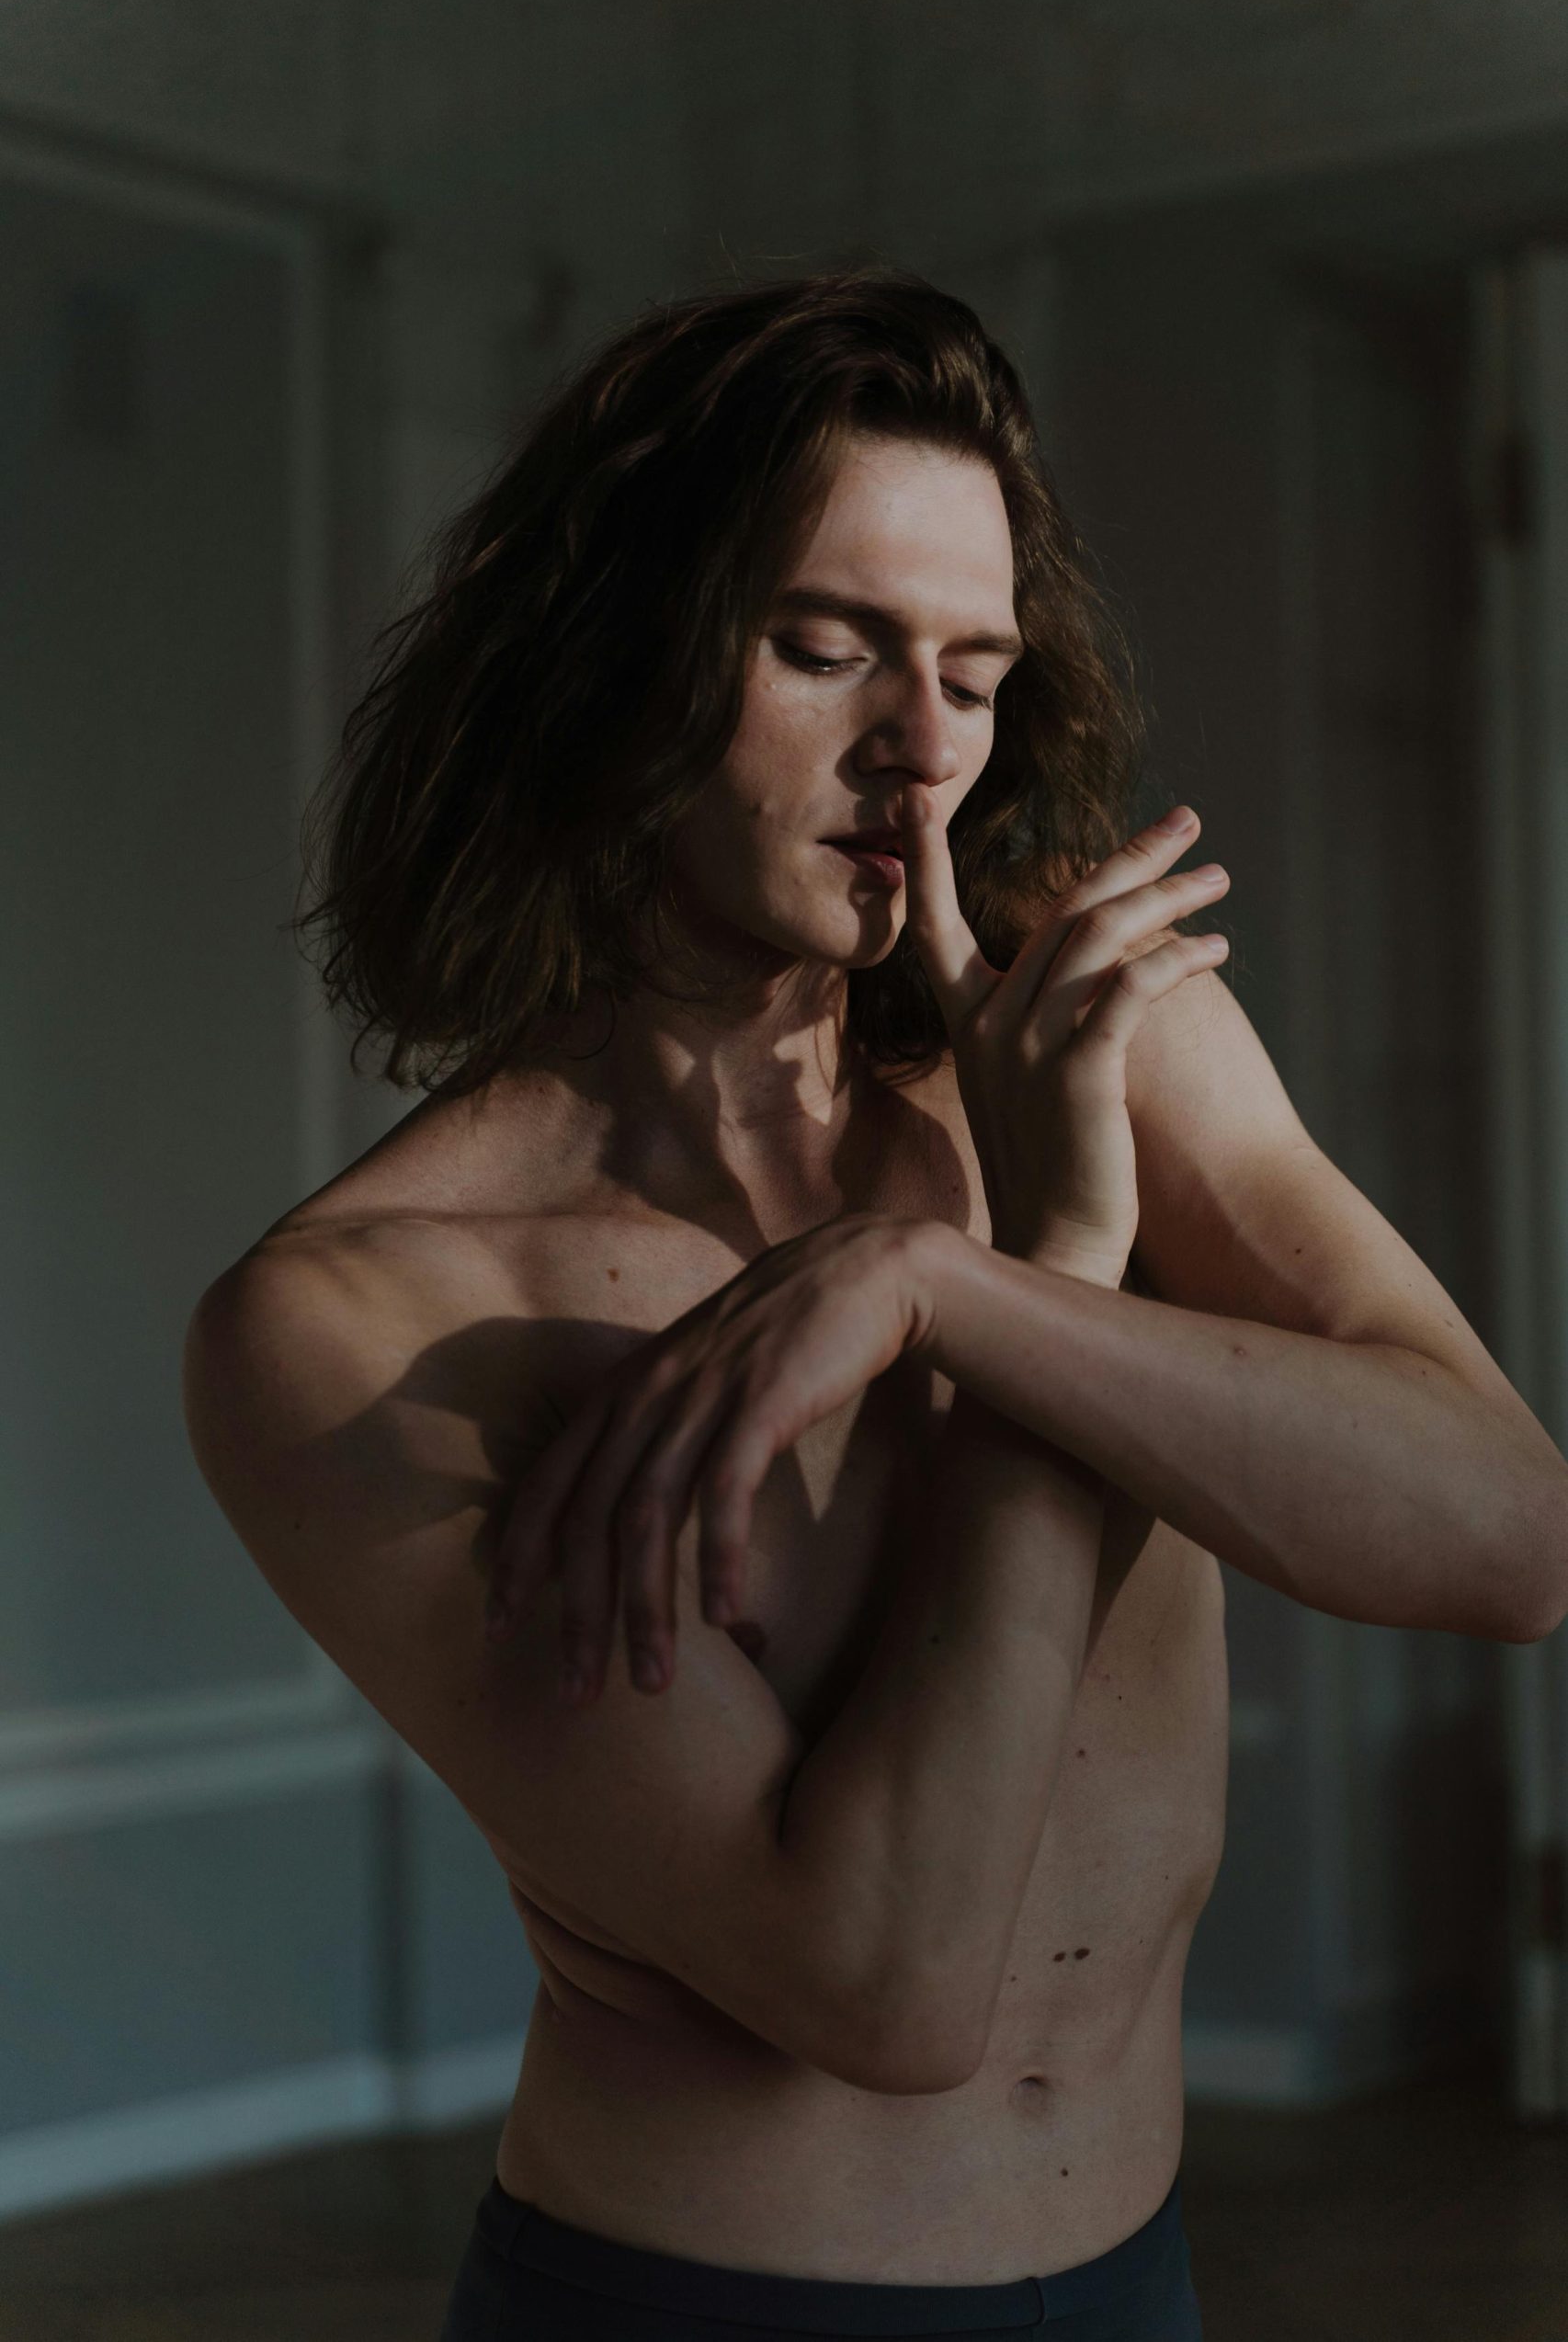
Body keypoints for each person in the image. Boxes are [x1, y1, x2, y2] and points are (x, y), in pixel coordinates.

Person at [182, 269, 1568, 2342]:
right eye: (824, 647)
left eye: (978, 671)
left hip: (1140, 2278)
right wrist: (1063, 1266)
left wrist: (946, 1282)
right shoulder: (356, 1319)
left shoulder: (1083, 1039)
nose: (923, 750)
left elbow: (1509, 1535)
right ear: (609, 661)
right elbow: (886, 1978)